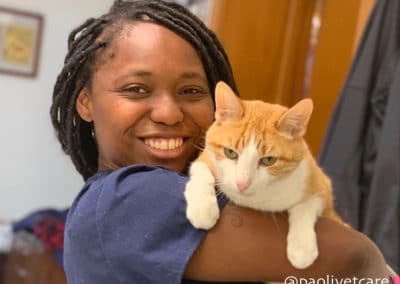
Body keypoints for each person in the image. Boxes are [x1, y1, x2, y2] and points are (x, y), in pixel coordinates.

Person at [50, 0, 390, 283]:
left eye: (192, 91)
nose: (169, 113)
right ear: (85, 103)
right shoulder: (127, 199)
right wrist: (374, 260)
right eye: (136, 89)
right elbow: (350, 257)